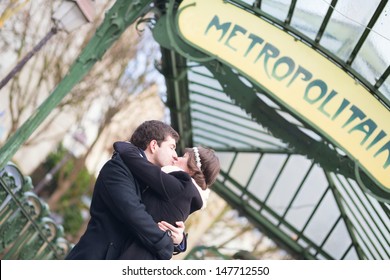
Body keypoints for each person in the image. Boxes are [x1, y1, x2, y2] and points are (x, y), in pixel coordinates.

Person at [66, 120, 186, 260]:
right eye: (172, 147)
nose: (175, 155)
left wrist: (178, 239)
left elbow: (158, 214)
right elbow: (134, 213)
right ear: (154, 145)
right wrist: (166, 244)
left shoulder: (149, 182)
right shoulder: (117, 168)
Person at [113, 139, 221, 259]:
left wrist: (125, 146)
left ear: (192, 169)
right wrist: (180, 242)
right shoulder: (188, 195)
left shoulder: (183, 186)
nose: (176, 158)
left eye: (184, 157)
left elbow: (141, 167)